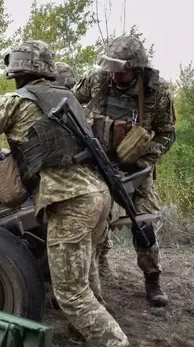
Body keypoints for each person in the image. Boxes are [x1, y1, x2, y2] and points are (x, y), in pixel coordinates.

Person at [0, 40, 129, 346]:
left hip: (68, 200)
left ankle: (115, 342)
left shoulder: (13, 101)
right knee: (85, 272)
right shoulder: (67, 97)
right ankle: (83, 330)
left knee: (71, 295)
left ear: (16, 71)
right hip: (98, 193)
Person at [73, 35, 175, 307]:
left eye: (122, 70)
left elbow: (167, 132)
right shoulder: (97, 80)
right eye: (112, 68)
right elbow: (69, 100)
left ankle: (152, 280)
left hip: (135, 170)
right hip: (96, 164)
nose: (115, 75)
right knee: (91, 219)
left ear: (138, 67)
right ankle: (91, 277)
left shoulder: (158, 91)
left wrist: (145, 160)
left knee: (143, 225)